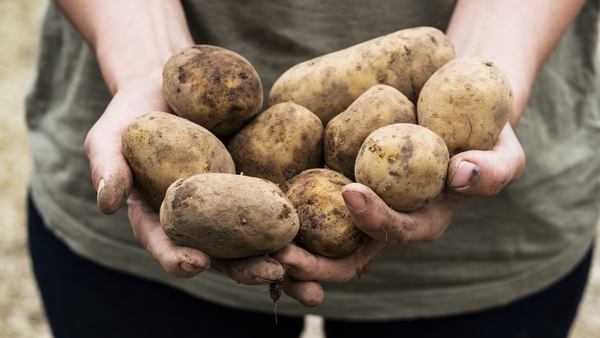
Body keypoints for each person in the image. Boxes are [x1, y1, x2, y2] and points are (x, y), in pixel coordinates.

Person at [25, 0, 600, 337]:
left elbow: (466, 79)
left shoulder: (416, 114)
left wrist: (493, 52)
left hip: (494, 253)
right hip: (127, 267)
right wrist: (142, 60)